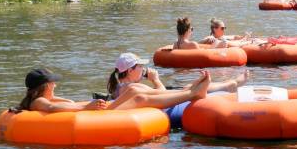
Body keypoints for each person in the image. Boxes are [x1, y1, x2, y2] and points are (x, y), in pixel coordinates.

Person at [106, 53, 249, 110]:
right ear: (130, 71)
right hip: (161, 105)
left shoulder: (118, 87)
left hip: (153, 100)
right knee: (186, 88)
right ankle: (232, 84)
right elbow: (161, 94)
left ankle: (231, 84)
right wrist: (155, 80)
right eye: (140, 66)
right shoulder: (132, 87)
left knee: (186, 87)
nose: (143, 68)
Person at [15, 68, 107, 112]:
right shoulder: (39, 101)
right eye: (53, 83)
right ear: (47, 86)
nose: (55, 86)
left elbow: (70, 102)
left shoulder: (35, 100)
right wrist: (85, 107)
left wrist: (52, 97)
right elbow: (51, 107)